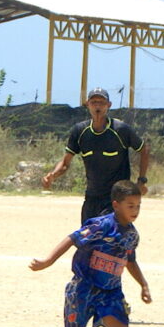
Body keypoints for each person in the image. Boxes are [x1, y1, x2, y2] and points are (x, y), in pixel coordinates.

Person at [29, 180, 152, 327]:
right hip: (84, 288)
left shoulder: (132, 235)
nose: (135, 211)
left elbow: (130, 260)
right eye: (130, 206)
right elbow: (72, 238)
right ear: (116, 205)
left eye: (138, 206)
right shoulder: (100, 225)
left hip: (111, 291)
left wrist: (143, 284)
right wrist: (48, 261)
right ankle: (84, 311)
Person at [42, 87, 150, 224]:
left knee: (108, 238)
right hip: (92, 197)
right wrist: (52, 176)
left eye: (101, 102)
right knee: (87, 239)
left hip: (116, 199)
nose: (97, 106)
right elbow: (65, 163)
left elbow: (143, 149)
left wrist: (141, 181)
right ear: (87, 104)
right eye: (94, 102)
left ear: (108, 105)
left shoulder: (120, 130)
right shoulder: (80, 131)